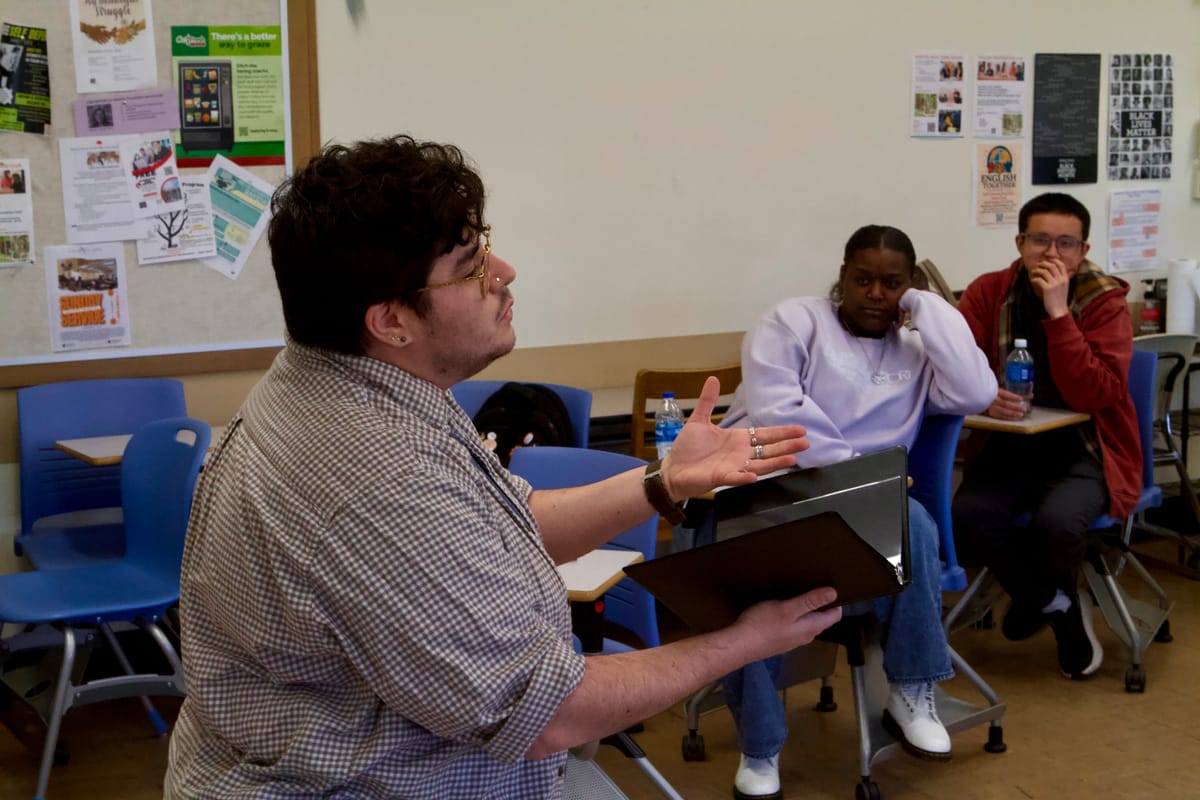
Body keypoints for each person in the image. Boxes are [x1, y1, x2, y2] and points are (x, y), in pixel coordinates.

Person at [163, 135, 843, 799]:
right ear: (391, 321)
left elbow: (505, 524)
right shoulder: (377, 481)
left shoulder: (345, 379)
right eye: (469, 264)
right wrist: (741, 643)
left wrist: (661, 482)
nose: (504, 272)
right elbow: (554, 714)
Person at [718, 225, 997, 799]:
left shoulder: (918, 348)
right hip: (779, 487)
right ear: (841, 276)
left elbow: (975, 392)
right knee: (752, 583)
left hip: (868, 504)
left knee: (914, 521)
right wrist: (859, 473)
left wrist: (924, 303)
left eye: (892, 283)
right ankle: (761, 748)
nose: (875, 293)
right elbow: (779, 413)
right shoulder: (793, 322)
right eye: (863, 279)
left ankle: (912, 689)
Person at [952, 192, 1139, 680]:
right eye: (1039, 240)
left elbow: (1095, 392)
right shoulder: (987, 292)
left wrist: (1059, 314)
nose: (1051, 254)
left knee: (1057, 523)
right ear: (1019, 243)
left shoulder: (1104, 301)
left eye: (1065, 243)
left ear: (1083, 250)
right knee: (966, 514)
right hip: (1009, 445)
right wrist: (982, 394)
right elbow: (953, 368)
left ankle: (1042, 599)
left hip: (1085, 448)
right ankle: (1055, 603)